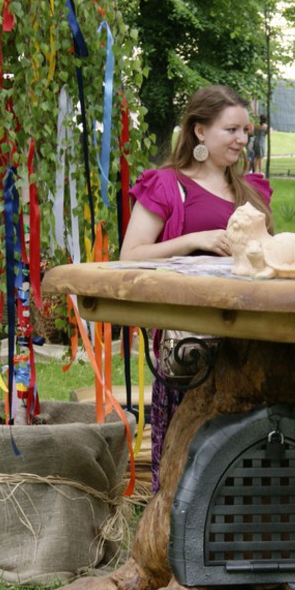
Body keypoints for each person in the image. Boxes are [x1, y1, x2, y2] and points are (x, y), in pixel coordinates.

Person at [120, 85, 274, 493]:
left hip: (248, 334)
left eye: (245, 131)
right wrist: (193, 240)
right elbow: (129, 255)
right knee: (186, 455)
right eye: (231, 130)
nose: (241, 140)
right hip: (190, 337)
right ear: (200, 131)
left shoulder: (252, 189)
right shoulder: (166, 185)